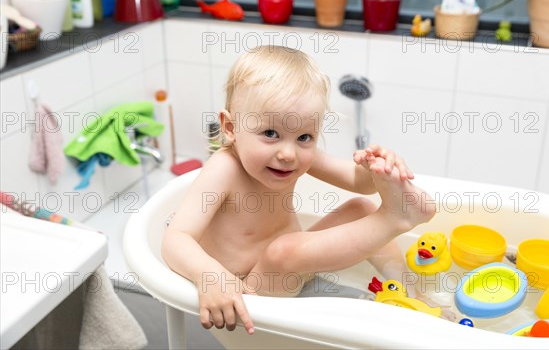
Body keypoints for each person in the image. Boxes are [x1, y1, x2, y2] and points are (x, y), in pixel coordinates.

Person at [161, 45, 436, 335]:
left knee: (360, 209)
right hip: (251, 292)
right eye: (270, 134)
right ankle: (397, 218)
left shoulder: (293, 153)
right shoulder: (223, 169)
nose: (289, 153)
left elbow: (359, 184)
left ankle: (412, 294)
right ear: (230, 127)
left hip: (294, 266)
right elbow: (175, 239)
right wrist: (210, 276)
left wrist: (379, 170)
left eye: (305, 136)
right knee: (281, 251)